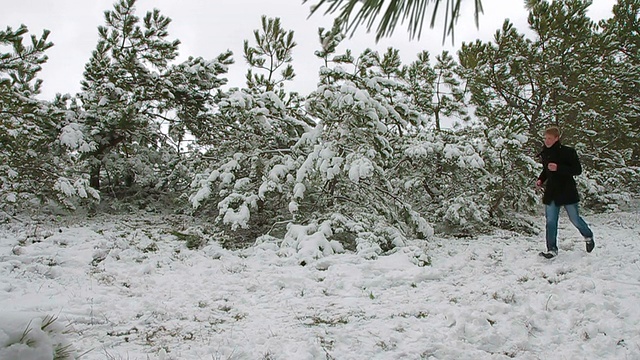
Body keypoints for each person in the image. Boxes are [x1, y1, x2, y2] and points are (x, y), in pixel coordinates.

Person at [536, 126, 594, 259]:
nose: (547, 141)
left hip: (567, 191)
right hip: (552, 192)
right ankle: (552, 249)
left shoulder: (568, 152)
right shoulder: (545, 153)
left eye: (550, 138)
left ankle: (588, 236)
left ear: (557, 138)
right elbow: (546, 170)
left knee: (575, 219)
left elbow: (577, 170)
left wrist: (559, 168)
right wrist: (540, 179)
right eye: (546, 138)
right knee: (550, 221)